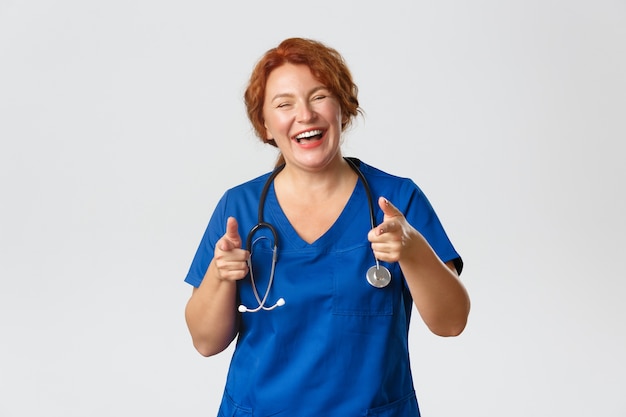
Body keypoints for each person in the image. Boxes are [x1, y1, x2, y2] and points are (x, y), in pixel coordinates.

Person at [184, 37, 470, 417]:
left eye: (318, 96)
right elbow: (205, 342)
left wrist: (414, 251)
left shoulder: (396, 199)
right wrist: (220, 277)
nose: (304, 115)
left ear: (343, 109)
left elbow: (451, 323)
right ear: (265, 125)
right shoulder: (239, 208)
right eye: (284, 104)